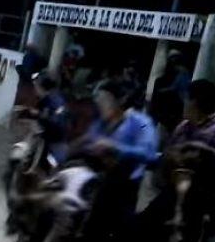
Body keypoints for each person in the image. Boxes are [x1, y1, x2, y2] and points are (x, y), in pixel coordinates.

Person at [81, 81, 159, 232]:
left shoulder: (141, 122)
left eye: (104, 100)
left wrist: (116, 148)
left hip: (124, 183)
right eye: (97, 100)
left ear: (119, 101)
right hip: (97, 178)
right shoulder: (100, 123)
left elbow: (149, 154)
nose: (99, 104)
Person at [20, 71, 70, 164]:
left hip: (56, 140)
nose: (35, 89)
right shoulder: (45, 99)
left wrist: (40, 115)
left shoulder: (56, 100)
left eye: (36, 86)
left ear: (42, 87)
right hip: (47, 135)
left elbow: (59, 121)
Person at [168, 79, 215, 149]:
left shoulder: (212, 132)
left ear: (195, 102)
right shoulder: (182, 127)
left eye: (186, 99)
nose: (184, 103)